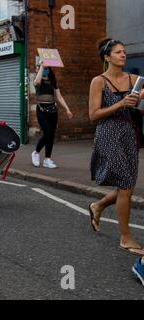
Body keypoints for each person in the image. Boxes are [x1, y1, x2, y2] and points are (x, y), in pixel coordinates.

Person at [88, 38, 144, 255]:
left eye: (124, 51)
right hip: (108, 134)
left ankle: (98, 206)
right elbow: (93, 115)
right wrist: (121, 103)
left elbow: (139, 110)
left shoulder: (136, 79)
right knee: (126, 186)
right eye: (118, 52)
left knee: (125, 184)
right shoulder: (99, 81)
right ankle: (125, 237)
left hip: (129, 133)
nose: (123, 55)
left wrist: (139, 100)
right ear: (107, 57)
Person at [31, 62, 73, 169]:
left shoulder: (52, 81)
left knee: (51, 135)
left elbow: (59, 97)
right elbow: (36, 82)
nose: (45, 70)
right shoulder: (38, 80)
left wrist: (67, 109)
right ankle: (35, 153)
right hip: (41, 110)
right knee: (47, 133)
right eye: (43, 68)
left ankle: (47, 159)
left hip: (53, 111)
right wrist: (42, 66)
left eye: (47, 69)